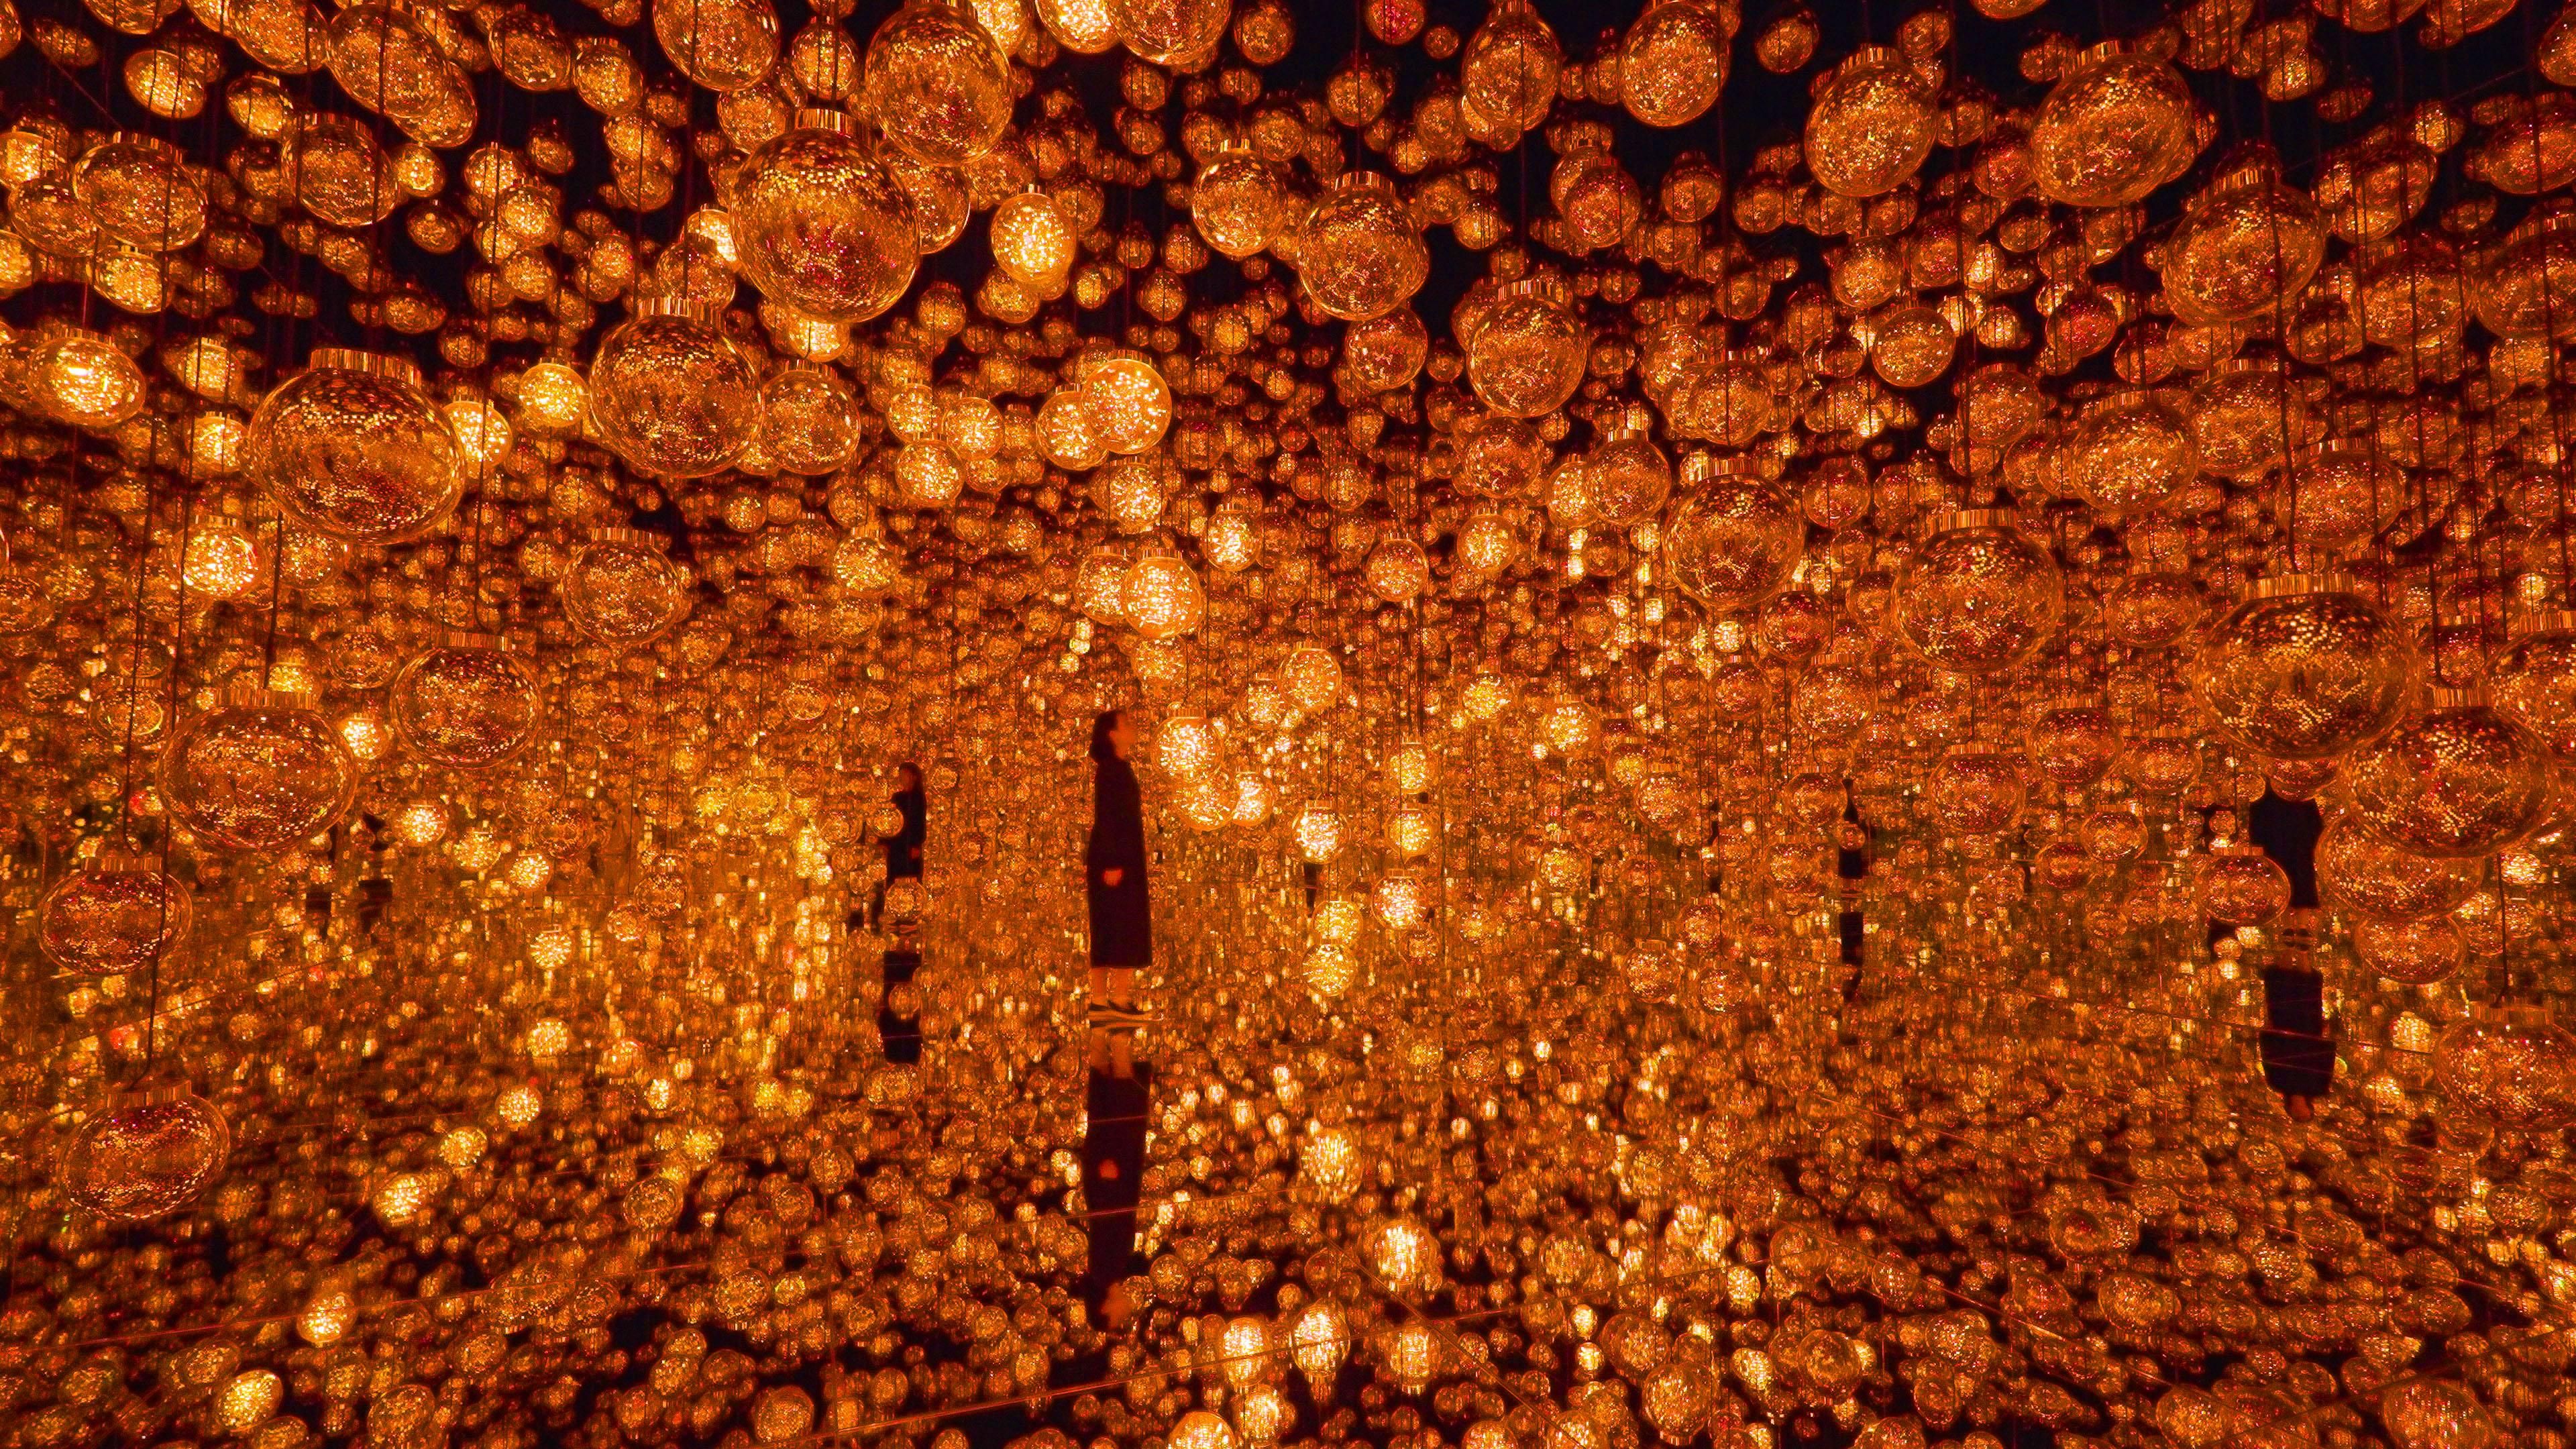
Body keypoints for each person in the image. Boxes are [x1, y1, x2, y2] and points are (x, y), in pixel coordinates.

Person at [2249, 790, 2332, 1122]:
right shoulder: (2319, 1085)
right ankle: (2298, 935)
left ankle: (2293, 934)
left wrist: (2268, 1026)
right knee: (2307, 993)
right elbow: (2325, 1052)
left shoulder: (2277, 1082)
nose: (2301, 1108)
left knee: (2284, 990)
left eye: (2298, 1112)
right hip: (2308, 1028)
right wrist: (2326, 1029)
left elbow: (2269, 1048)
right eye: (2305, 1112)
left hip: (2284, 1024)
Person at [1085, 710, 1150, 1079]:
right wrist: (1113, 860)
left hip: (1117, 856)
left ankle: (1102, 1001)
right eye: (1128, 724)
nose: (1135, 728)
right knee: (1121, 922)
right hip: (1116, 858)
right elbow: (1108, 817)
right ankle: (1117, 1000)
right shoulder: (1113, 771)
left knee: (1109, 923)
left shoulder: (1115, 769)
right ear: (1112, 734)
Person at [867, 763, 926, 932]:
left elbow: (919, 823)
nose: (901, 778)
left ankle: (910, 919)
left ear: (913, 776)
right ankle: (893, 918)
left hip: (910, 846)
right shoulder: (897, 798)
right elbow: (888, 820)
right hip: (896, 846)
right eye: (900, 774)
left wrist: (917, 844)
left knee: (911, 879)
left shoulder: (919, 798)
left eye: (904, 774)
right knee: (894, 878)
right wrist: (884, 842)